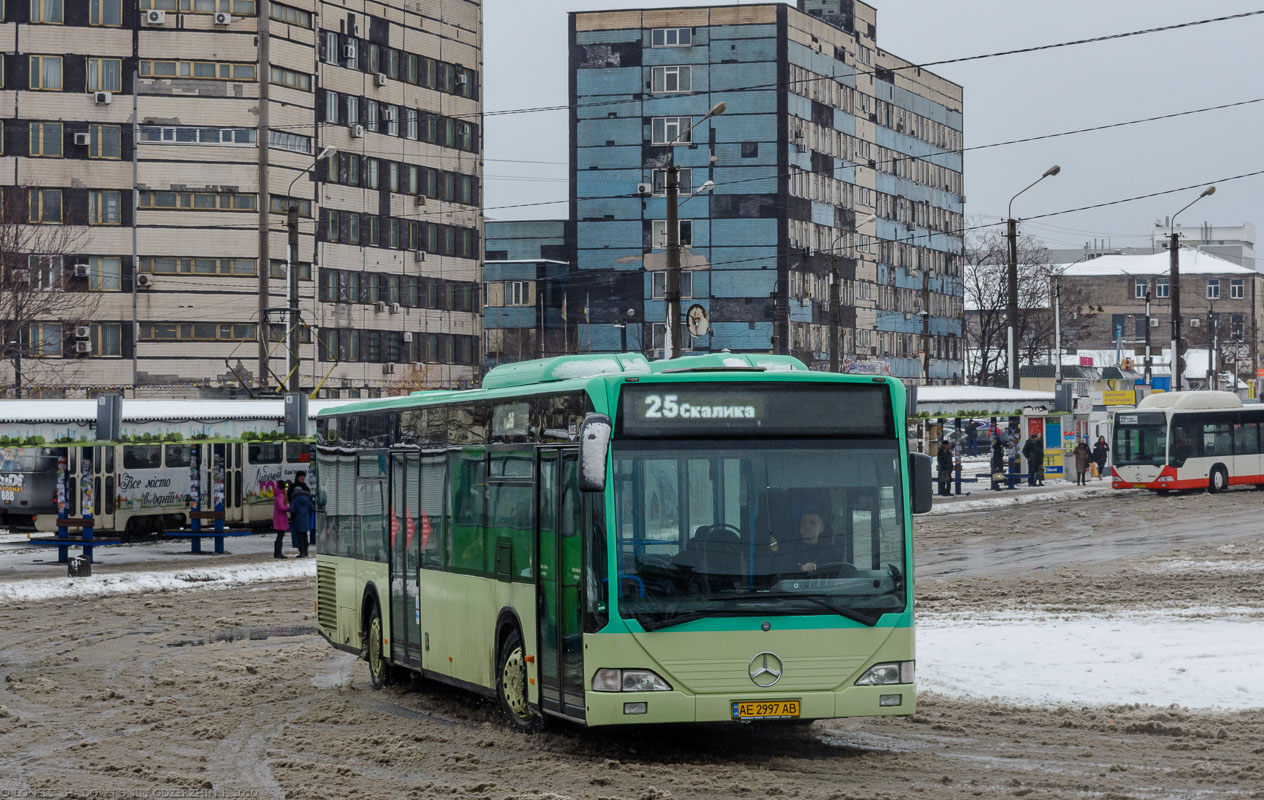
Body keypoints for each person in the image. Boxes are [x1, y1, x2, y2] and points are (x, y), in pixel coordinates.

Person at [777, 508, 839, 575]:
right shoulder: (788, 551)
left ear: (822, 528)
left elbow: (841, 574)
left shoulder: (832, 552)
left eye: (812, 523)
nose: (807, 526)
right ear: (800, 528)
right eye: (803, 523)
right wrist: (800, 568)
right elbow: (781, 572)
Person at [289, 472, 314, 557]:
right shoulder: (307, 496)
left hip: (297, 519)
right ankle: (306, 551)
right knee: (305, 535)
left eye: (304, 477)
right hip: (306, 518)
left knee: (299, 535)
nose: (303, 478)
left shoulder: (294, 499)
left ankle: (302, 552)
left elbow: (292, 509)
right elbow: (313, 508)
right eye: (301, 477)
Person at [271, 480, 290, 558]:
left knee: (280, 535)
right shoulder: (281, 496)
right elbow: (281, 507)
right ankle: (278, 553)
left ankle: (277, 553)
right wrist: (288, 508)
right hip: (280, 518)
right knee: (280, 535)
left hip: (278, 517)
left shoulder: (278, 495)